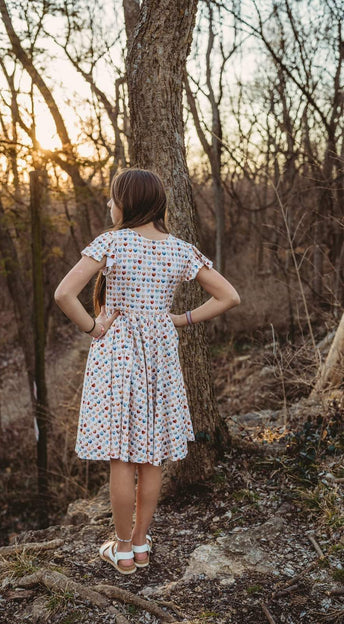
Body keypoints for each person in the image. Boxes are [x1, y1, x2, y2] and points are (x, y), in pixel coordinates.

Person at [54, 168, 240, 575]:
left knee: (121, 454)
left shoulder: (111, 242)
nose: (108, 204)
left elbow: (64, 293)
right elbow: (229, 295)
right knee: (151, 455)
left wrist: (94, 326)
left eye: (112, 197)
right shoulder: (180, 250)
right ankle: (140, 545)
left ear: (129, 201)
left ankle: (121, 550)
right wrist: (180, 319)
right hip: (159, 352)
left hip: (118, 352)